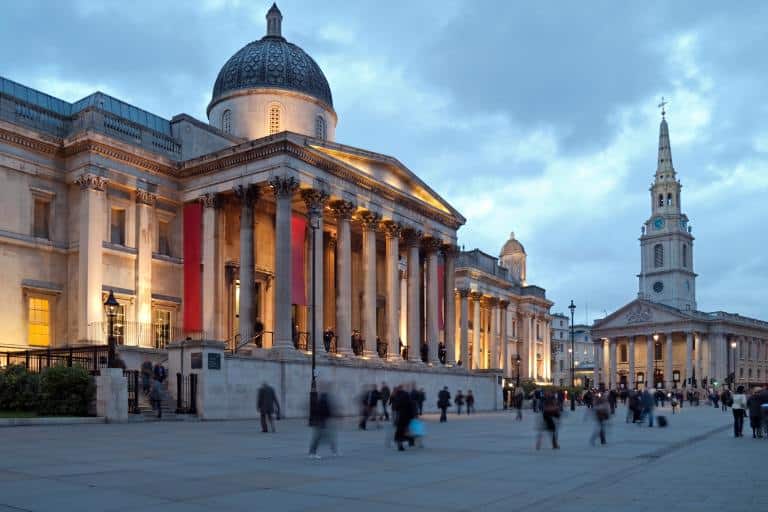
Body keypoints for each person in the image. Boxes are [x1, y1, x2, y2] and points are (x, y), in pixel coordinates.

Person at [308, 381, 338, 459]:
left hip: (323, 420)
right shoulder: (322, 397)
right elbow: (323, 409)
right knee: (319, 437)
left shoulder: (323, 396)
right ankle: (312, 453)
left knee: (327, 436)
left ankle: (334, 451)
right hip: (321, 421)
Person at [391, 385, 416, 451]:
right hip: (408, 415)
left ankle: (402, 444)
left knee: (401, 430)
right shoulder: (406, 395)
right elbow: (411, 404)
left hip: (401, 415)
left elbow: (395, 407)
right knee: (406, 430)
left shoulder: (398, 396)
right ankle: (410, 441)